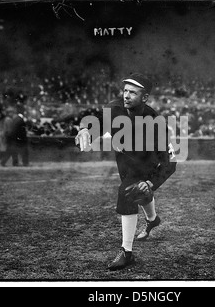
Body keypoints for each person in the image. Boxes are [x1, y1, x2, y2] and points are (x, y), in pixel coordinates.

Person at [75, 73, 177, 271]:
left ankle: (126, 252)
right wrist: (85, 129)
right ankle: (152, 220)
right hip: (125, 159)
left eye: (133, 92)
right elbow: (96, 122)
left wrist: (151, 183)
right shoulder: (114, 109)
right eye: (125, 91)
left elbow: (170, 162)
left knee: (129, 191)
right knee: (138, 192)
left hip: (148, 162)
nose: (126, 95)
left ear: (145, 98)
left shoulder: (156, 122)